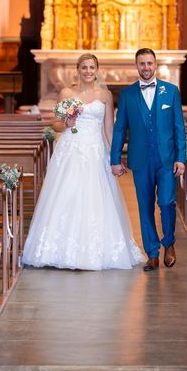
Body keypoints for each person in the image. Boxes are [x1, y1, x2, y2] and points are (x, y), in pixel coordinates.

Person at [22, 53, 143, 270]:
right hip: (70, 148)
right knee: (67, 193)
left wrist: (115, 156)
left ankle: (93, 251)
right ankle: (59, 249)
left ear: (97, 70)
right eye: (84, 67)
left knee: (96, 197)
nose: (88, 71)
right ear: (77, 69)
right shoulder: (66, 93)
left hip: (95, 150)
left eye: (92, 67)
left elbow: (109, 129)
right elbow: (55, 124)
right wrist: (66, 123)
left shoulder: (105, 95)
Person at [110, 48, 186, 272]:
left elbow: (178, 127)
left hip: (166, 159)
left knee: (166, 202)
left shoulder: (171, 91)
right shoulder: (128, 94)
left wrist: (180, 158)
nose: (146, 67)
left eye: (149, 63)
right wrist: (115, 159)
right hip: (140, 159)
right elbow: (119, 129)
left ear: (156, 65)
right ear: (136, 66)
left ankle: (169, 242)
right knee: (144, 207)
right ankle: (151, 253)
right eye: (142, 63)